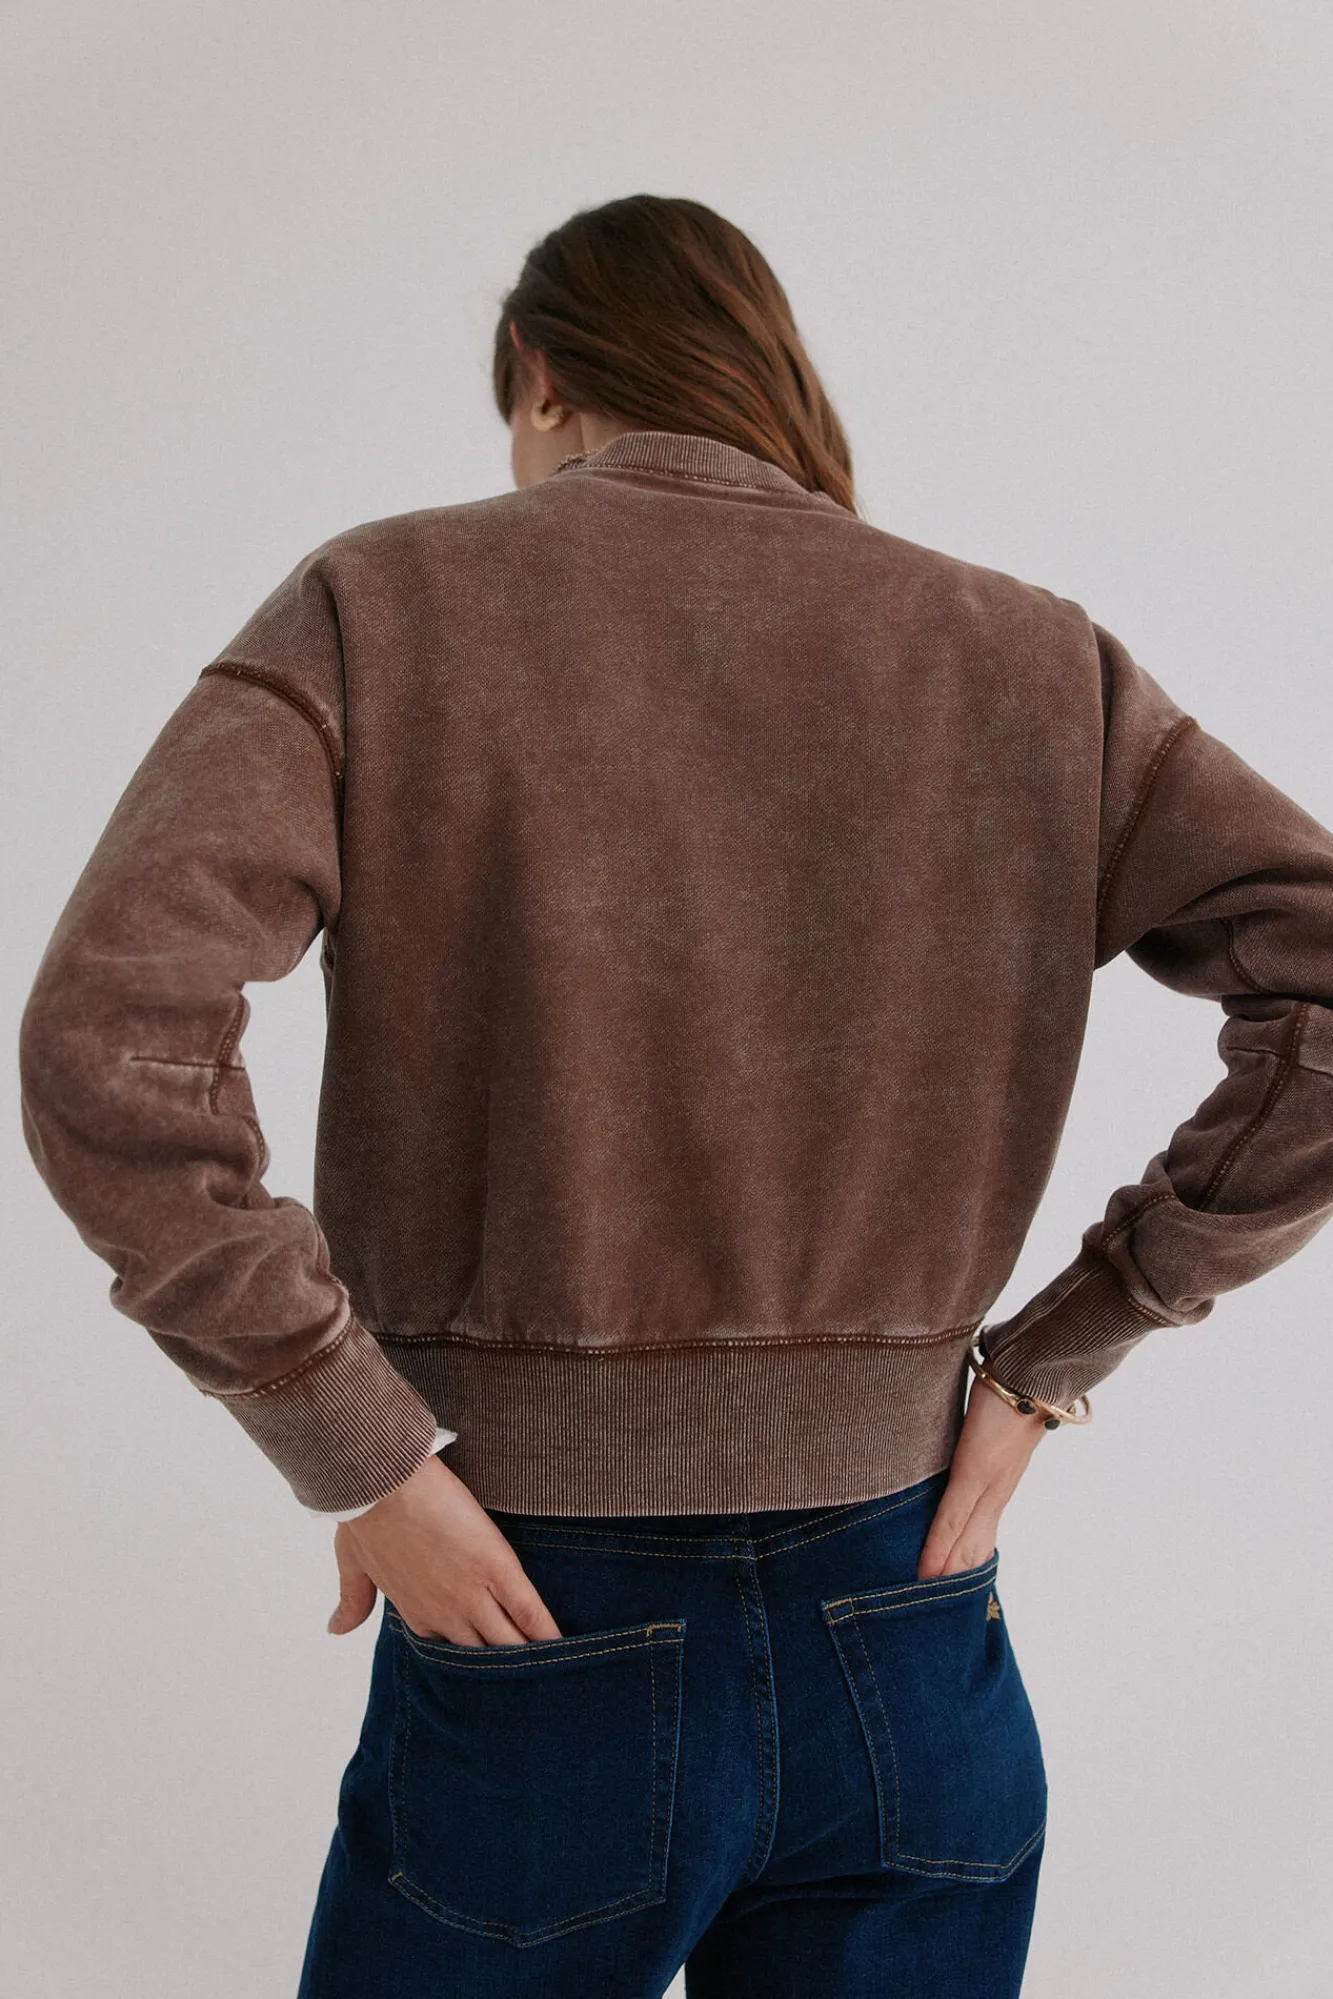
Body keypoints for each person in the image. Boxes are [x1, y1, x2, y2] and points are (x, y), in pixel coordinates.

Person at [18, 193, 1333, 1999]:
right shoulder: (1030, 656)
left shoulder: (379, 609)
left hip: (529, 1619)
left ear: (545, 376)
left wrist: (359, 1441)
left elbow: (106, 1045)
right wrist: (1056, 1353)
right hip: (912, 1621)